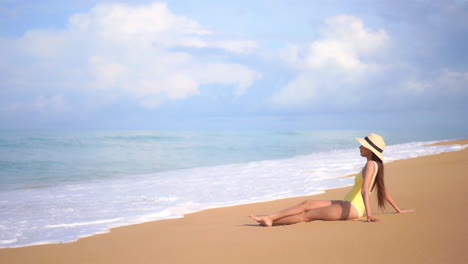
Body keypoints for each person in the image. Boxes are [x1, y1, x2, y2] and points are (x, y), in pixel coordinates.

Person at [249, 133, 415, 226]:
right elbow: (383, 190)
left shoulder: (371, 165)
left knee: (308, 215)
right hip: (348, 204)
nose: (359, 147)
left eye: (363, 145)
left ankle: (271, 222)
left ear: (370, 149)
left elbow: (365, 190)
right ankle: (270, 217)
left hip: (353, 209)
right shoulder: (373, 164)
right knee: (307, 203)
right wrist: (398, 209)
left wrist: (368, 215)